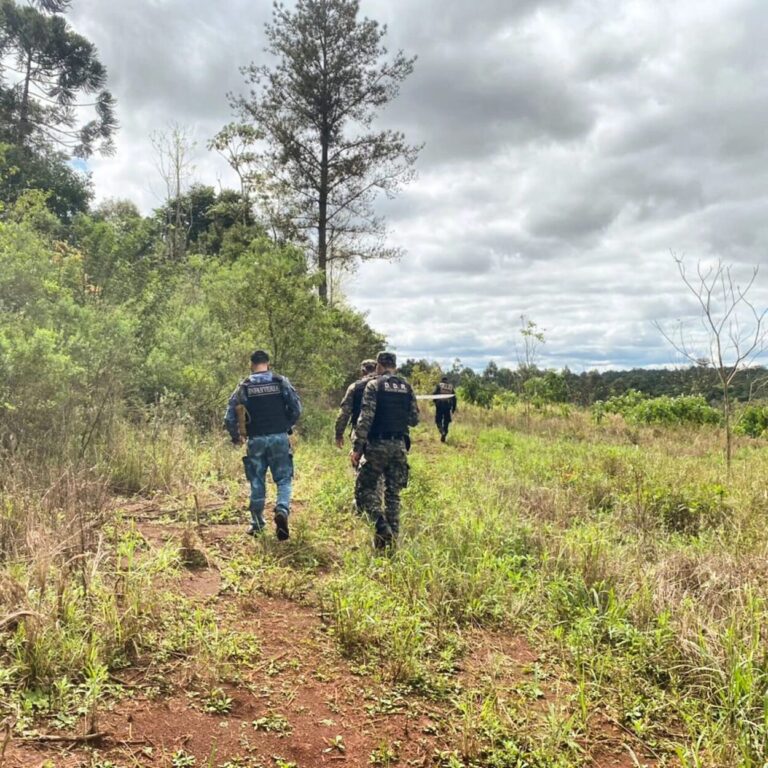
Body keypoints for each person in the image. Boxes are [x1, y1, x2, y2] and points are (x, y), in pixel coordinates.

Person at [224, 350, 302, 540]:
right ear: (268, 363)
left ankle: (257, 524)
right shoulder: (280, 382)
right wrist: (286, 425)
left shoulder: (244, 386)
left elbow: (229, 417)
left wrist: (236, 437)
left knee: (257, 481)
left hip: (256, 440)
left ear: (251, 364)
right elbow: (297, 409)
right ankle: (282, 509)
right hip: (279, 437)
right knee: (283, 479)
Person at [351, 351, 419, 549]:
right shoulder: (407, 387)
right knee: (393, 495)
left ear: (379, 365)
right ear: (395, 366)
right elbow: (414, 420)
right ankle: (390, 544)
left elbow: (365, 419)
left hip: (377, 445)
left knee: (364, 490)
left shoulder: (374, 385)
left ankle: (381, 525)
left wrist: (357, 448)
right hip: (399, 446)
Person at [334, 359, 378, 448]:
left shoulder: (355, 387)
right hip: (383, 433)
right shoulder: (383, 385)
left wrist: (339, 434)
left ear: (363, 371)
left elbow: (344, 413)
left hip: (360, 433)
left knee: (358, 459)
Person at [433, 375, 457, 442]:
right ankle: (445, 433)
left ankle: (442, 431)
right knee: (446, 421)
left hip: (440, 405)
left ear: (442, 380)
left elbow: (434, 394)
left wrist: (435, 402)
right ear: (447, 381)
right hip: (447, 406)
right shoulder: (450, 387)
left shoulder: (439, 385)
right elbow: (454, 398)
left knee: (438, 420)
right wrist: (453, 408)